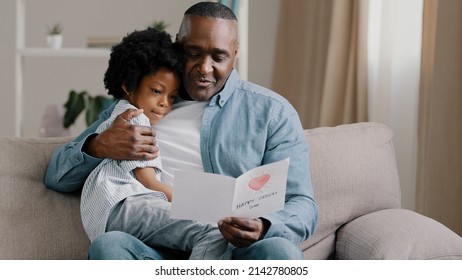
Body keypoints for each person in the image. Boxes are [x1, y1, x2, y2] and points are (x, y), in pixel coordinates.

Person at [45, 2, 317, 260]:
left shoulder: (272, 112)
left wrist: (262, 226)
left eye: (218, 57)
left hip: (232, 252)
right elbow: (57, 175)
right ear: (178, 45)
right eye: (194, 53)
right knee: (110, 246)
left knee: (282, 253)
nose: (204, 68)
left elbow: (301, 203)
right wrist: (99, 146)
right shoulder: (141, 104)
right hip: (153, 250)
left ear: (235, 54)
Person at [79, 27, 230, 260]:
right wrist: (196, 205)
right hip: (127, 206)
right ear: (128, 86)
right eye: (156, 91)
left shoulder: (116, 117)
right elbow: (148, 182)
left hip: (104, 214)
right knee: (214, 233)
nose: (164, 104)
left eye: (171, 97)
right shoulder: (134, 120)